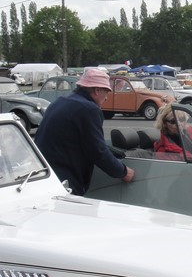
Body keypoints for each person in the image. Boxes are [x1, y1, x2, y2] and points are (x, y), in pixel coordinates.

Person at [34, 67, 134, 196]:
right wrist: (124, 172)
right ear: (97, 90)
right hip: (66, 179)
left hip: (45, 174)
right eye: (106, 92)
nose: (107, 98)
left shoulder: (59, 102)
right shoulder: (89, 109)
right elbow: (97, 151)